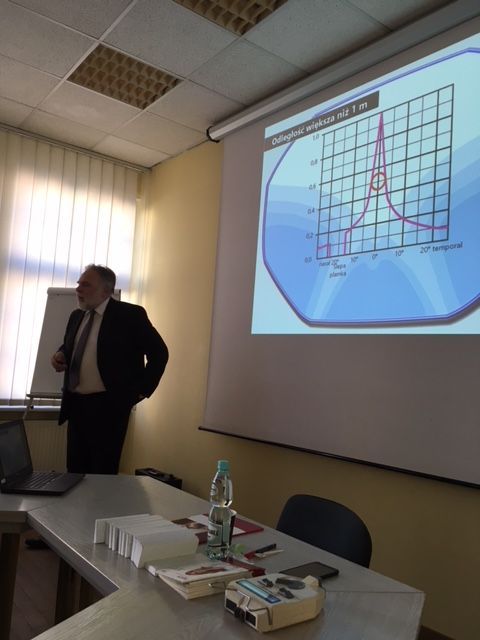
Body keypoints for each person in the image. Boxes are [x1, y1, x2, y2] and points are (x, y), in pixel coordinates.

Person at [51, 264, 169, 474]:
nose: (78, 289)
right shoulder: (76, 316)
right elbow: (72, 346)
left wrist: (140, 391)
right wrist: (60, 354)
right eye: (79, 283)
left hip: (109, 407)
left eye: (86, 285)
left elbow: (159, 353)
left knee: (102, 475)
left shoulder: (130, 315)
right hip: (76, 405)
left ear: (105, 291)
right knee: (75, 471)